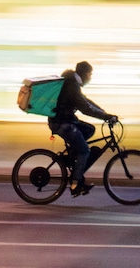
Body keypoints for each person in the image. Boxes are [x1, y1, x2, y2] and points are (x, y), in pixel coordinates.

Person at [48, 60, 117, 197]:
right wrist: (105, 117)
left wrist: (104, 113)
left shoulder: (72, 83)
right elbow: (85, 109)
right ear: (85, 74)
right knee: (85, 151)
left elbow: (86, 101)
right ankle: (75, 184)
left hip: (66, 121)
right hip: (62, 123)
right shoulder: (72, 86)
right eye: (90, 75)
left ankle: (72, 158)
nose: (90, 78)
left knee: (89, 130)